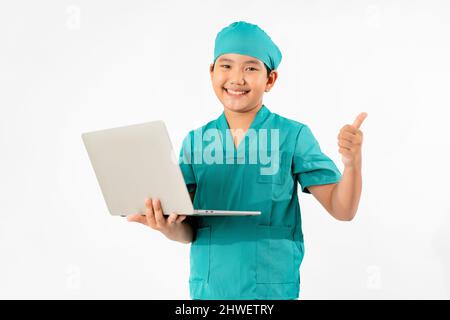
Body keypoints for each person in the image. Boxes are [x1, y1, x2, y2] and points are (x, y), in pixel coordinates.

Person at [127, 21, 367, 299]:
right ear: (212, 72)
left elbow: (343, 209)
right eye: (226, 65)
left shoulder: (293, 136)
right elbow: (188, 231)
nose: (236, 78)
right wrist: (168, 227)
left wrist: (352, 164)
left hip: (269, 291)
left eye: (251, 68)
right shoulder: (194, 142)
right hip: (209, 291)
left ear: (270, 80)